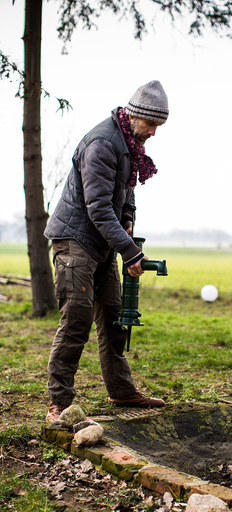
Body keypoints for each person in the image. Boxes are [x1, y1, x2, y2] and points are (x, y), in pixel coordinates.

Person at [43, 80, 169, 423]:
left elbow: (125, 193)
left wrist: (127, 219)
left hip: (102, 244)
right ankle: (60, 403)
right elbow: (98, 208)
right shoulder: (102, 144)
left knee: (115, 318)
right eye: (152, 124)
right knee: (77, 321)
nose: (154, 132)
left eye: (159, 126)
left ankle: (121, 391)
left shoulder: (128, 146)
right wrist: (130, 252)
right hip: (76, 241)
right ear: (135, 115)